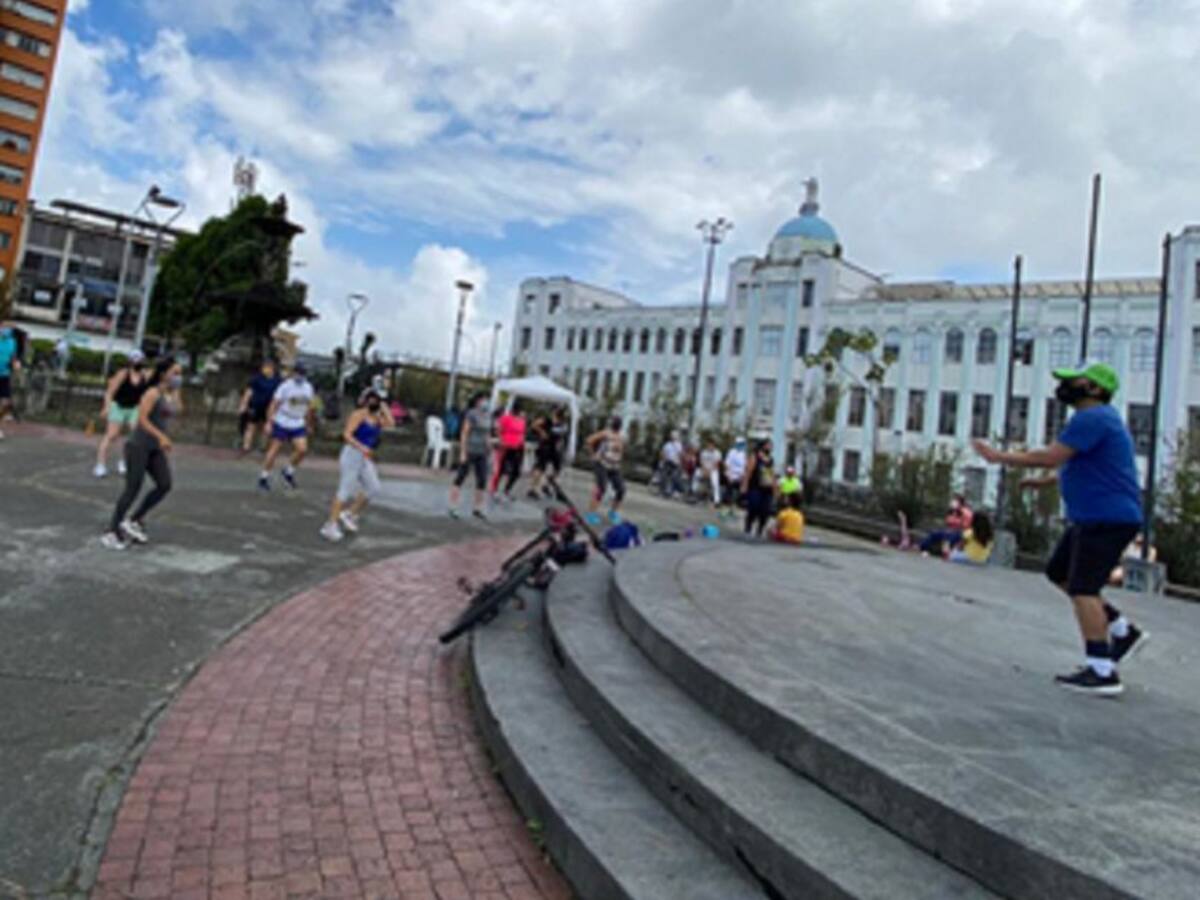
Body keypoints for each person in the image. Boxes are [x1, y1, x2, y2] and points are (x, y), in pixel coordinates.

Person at [974, 362, 1145, 697]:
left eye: (1073, 381)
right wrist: (1046, 483)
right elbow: (1081, 465)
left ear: (1095, 388)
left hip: (1106, 518)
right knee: (1059, 572)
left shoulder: (1093, 417)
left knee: (1084, 588)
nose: (1066, 386)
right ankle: (1121, 630)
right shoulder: (1097, 421)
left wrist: (1000, 457)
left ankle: (1102, 670)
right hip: (1095, 517)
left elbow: (1052, 456)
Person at [101, 357, 183, 550]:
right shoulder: (152, 393)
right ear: (164, 374)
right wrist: (161, 436)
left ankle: (135, 519)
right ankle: (112, 530)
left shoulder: (169, 394)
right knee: (133, 487)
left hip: (154, 448)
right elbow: (142, 420)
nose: (179, 377)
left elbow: (179, 410)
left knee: (164, 484)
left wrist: (177, 390)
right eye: (175, 373)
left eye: (180, 374)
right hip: (139, 445)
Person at [320, 388, 394, 541]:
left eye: (378, 400)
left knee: (373, 488)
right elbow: (347, 434)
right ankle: (330, 525)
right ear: (366, 400)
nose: (374, 402)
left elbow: (391, 423)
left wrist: (386, 409)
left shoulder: (377, 418)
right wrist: (361, 447)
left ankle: (350, 513)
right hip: (352, 454)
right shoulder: (359, 415)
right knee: (345, 490)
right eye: (372, 399)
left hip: (365, 458)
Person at [259, 361, 315, 491]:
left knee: (302, 449)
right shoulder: (285, 386)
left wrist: (309, 423)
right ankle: (264, 476)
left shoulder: (308, 387)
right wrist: (269, 421)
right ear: (293, 373)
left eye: (303, 373)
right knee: (274, 450)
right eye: (298, 372)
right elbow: (274, 404)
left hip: (298, 421)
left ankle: (288, 470)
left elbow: (310, 407)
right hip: (282, 420)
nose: (300, 376)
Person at [94, 350, 148, 477]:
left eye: (140, 359)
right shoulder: (123, 374)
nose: (138, 362)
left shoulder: (144, 375)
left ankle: (123, 462)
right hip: (118, 406)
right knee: (112, 435)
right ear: (130, 361)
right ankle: (100, 465)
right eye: (135, 359)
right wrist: (106, 407)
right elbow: (109, 392)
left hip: (134, 408)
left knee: (134, 436)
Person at [449, 392, 492, 520]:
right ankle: (453, 506)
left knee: (482, 480)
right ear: (478, 401)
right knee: (461, 477)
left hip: (482, 451)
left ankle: (477, 508)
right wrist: (463, 451)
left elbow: (487, 433)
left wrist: (489, 446)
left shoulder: (488, 415)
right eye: (484, 399)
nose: (486, 402)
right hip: (470, 448)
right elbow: (464, 432)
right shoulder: (471, 414)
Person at [586, 416, 626, 522]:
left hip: (614, 466)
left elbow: (620, 450)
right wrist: (593, 455)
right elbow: (589, 440)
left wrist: (619, 460)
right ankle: (591, 513)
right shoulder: (605, 433)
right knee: (601, 488)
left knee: (621, 489)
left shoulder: (621, 437)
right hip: (602, 464)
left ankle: (613, 512)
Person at [238, 359, 281, 455]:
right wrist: (244, 404)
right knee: (251, 426)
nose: (265, 369)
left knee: (266, 428)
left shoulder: (277, 381)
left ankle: (262, 448)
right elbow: (249, 392)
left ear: (272, 368)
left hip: (269, 407)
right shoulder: (256, 378)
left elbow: (279, 396)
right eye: (264, 366)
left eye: (268, 367)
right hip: (255, 406)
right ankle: (246, 447)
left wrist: (277, 409)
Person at [490, 401, 528, 501]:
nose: (519, 412)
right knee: (501, 470)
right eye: (518, 410)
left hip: (518, 447)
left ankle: (507, 490)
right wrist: (501, 440)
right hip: (506, 446)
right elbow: (497, 430)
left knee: (516, 472)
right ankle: (494, 490)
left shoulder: (522, 421)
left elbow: (522, 434)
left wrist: (522, 445)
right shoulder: (506, 418)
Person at [741, 438, 776, 538]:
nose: (770, 447)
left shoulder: (770, 459)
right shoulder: (755, 456)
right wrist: (744, 485)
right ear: (763, 446)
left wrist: (774, 489)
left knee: (765, 510)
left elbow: (772, 475)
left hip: (767, 488)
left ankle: (760, 529)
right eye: (768, 445)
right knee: (754, 507)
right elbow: (748, 472)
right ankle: (748, 525)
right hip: (755, 487)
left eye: (771, 446)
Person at [528, 408, 566, 499]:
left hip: (554, 448)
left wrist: (560, 444)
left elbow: (561, 436)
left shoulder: (562, 424)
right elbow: (534, 425)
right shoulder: (547, 420)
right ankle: (532, 489)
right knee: (540, 468)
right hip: (545, 447)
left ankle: (546, 485)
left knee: (557, 468)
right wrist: (542, 432)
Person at [0, 319, 22, 439]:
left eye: (11, 328)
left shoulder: (12, 342)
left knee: (5, 402)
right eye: (6, 327)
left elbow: (13, 357)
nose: (8, 330)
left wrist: (16, 363)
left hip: (4, 375)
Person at [724, 437, 748, 513]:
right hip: (731, 475)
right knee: (729, 493)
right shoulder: (732, 452)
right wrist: (729, 475)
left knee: (737, 494)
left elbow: (744, 467)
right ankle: (727, 509)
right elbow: (727, 464)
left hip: (740, 477)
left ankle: (733, 509)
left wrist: (743, 477)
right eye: (740, 444)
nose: (742, 445)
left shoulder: (744, 453)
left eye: (743, 444)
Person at [659, 430, 684, 497]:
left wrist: (677, 459)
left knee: (674, 477)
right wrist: (664, 458)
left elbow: (680, 454)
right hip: (668, 462)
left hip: (675, 463)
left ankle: (672, 491)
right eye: (672, 436)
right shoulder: (667, 444)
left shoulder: (679, 445)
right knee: (664, 476)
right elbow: (663, 453)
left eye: (674, 436)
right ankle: (663, 490)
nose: (673, 437)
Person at [698, 440, 723, 506]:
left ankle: (716, 501)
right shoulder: (704, 452)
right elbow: (702, 462)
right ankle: (700, 497)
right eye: (708, 445)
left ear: (714, 446)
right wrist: (704, 471)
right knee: (698, 478)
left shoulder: (717, 453)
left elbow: (717, 464)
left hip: (713, 470)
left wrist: (709, 471)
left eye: (711, 445)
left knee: (715, 484)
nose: (710, 447)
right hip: (705, 469)